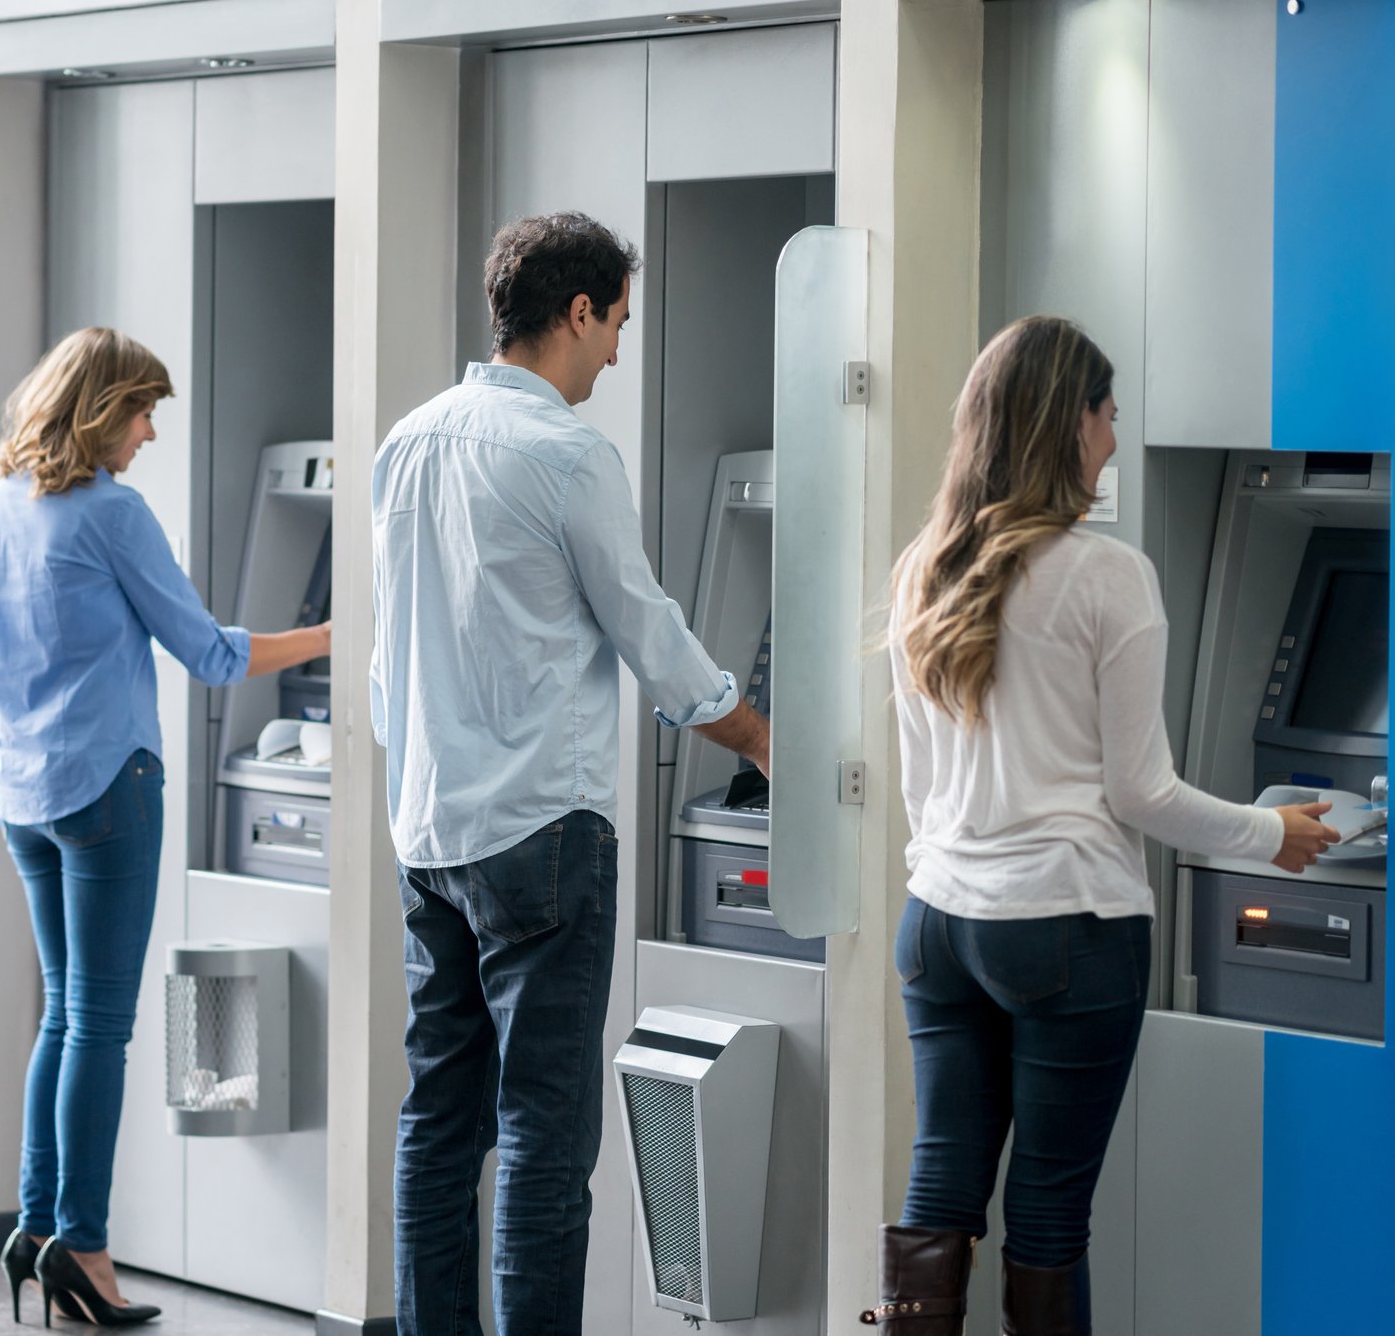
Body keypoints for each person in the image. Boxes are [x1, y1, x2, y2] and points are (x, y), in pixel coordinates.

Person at [863, 316, 1340, 1335]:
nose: (1116, 443)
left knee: (940, 1186)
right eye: (1108, 417)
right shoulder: (1106, 576)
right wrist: (1274, 836)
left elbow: (920, 788)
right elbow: (1142, 792)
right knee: (1045, 1211)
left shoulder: (925, 568)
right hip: (1067, 926)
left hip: (939, 921)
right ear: (1065, 424)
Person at [369, 212, 773, 1335]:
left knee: (439, 1122)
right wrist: (758, 736)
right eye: (615, 328)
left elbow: (382, 656)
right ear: (577, 311)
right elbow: (649, 631)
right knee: (547, 1134)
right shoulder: (567, 455)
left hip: (430, 834)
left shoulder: (407, 442)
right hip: (544, 834)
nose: (613, 354)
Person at [0, 327, 330, 1327]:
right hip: (107, 789)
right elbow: (209, 653)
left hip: (25, 794)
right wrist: (340, 634)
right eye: (142, 410)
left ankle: (34, 1229)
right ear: (100, 409)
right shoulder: (111, 515)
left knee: (63, 1015)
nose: (151, 432)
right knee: (102, 1024)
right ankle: (84, 1242)